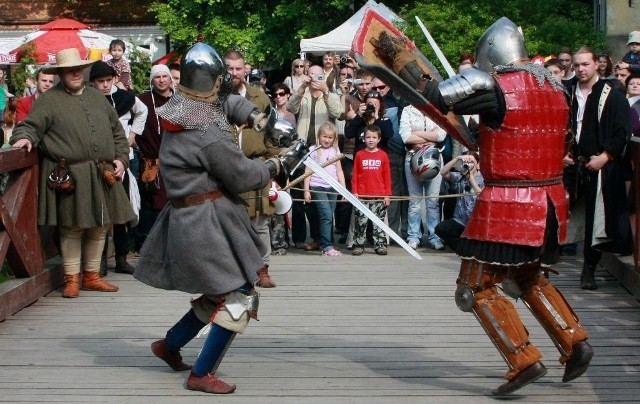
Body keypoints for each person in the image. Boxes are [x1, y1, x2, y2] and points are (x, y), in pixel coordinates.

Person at [365, 16, 593, 395]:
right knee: (528, 277)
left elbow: (436, 97)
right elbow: (562, 142)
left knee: (475, 287)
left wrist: (399, 57)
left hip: (509, 205)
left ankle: (522, 358)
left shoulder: (494, 85)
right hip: (551, 202)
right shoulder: (555, 87)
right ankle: (574, 341)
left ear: (491, 53)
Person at [133, 42, 307, 394]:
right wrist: (279, 164)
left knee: (218, 292)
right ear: (210, 80)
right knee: (239, 293)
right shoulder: (206, 135)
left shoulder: (184, 106)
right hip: (204, 222)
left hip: (200, 214)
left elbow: (227, 102)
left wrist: (262, 119)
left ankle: (169, 346)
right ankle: (202, 373)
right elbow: (242, 175)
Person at [10, 47, 135, 298]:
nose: (75, 73)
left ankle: (91, 276)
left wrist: (122, 158)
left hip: (101, 172)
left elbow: (117, 133)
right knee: (71, 227)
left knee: (100, 225)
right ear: (61, 73)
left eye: (79, 69)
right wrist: (24, 139)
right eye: (70, 70)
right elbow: (30, 127)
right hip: (70, 174)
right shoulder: (49, 100)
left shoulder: (97, 97)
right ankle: (71, 278)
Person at [565, 46, 633, 290]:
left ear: (596, 64)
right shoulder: (567, 92)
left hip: (598, 164)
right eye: (576, 65)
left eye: (585, 64)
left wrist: (605, 156)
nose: (580, 69)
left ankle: (588, 270)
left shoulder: (612, 94)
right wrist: (562, 154)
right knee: (558, 212)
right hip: (571, 164)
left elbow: (622, 131)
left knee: (597, 218)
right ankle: (544, 266)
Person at [223, 49, 279, 288]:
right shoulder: (215, 99)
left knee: (260, 222)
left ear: (246, 69)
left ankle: (261, 268)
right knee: (227, 223)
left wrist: (273, 168)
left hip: (255, 166)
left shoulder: (259, 98)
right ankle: (231, 271)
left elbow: (271, 138)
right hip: (224, 167)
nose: (234, 73)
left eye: (238, 68)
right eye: (229, 68)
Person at [89, 61, 148, 275]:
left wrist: (132, 135)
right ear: (93, 83)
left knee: (121, 212)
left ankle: (121, 258)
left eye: (108, 80)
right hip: (99, 161)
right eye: (100, 81)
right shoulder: (89, 100)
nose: (105, 85)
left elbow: (143, 111)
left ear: (114, 79)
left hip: (123, 159)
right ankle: (101, 259)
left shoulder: (125, 98)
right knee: (101, 212)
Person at [286, 64, 343, 251]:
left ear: (323, 78)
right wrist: (302, 88)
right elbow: (290, 107)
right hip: (301, 153)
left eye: (318, 77)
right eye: (311, 76)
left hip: (322, 153)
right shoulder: (302, 94)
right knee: (300, 197)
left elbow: (337, 113)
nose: (314, 80)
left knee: (318, 201)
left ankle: (320, 238)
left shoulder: (330, 94)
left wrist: (326, 91)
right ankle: (299, 238)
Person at [135, 64, 173, 251]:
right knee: (154, 204)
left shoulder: (179, 101)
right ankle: (151, 246)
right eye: (157, 77)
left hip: (176, 162)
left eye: (165, 76)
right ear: (152, 80)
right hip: (152, 162)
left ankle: (173, 244)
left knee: (176, 203)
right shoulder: (142, 101)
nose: (161, 80)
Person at [400, 104, 446, 251]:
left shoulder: (437, 109)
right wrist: (429, 137)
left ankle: (435, 236)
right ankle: (413, 236)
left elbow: (441, 135)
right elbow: (406, 136)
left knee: (433, 201)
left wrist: (417, 134)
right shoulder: (407, 110)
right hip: (413, 158)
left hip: (434, 158)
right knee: (415, 201)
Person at [303, 122, 346, 256]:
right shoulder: (313, 150)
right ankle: (327, 246)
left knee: (329, 215)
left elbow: (339, 171)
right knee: (326, 215)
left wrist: (343, 190)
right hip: (318, 186)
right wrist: (306, 190)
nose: (326, 140)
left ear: (334, 139)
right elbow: (307, 171)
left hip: (332, 187)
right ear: (319, 136)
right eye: (324, 137)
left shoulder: (335, 151)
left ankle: (329, 243)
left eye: (330, 138)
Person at [351, 125, 391, 256]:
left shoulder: (383, 155)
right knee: (360, 222)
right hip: (362, 196)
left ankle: (380, 245)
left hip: (379, 196)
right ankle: (358, 244)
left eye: (374, 137)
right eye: (368, 137)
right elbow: (355, 175)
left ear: (379, 139)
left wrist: (387, 195)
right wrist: (355, 192)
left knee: (378, 223)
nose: (371, 140)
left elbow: (387, 176)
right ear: (364, 138)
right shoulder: (359, 155)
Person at [434, 151, 483, 251]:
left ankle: (472, 249)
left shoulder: (483, 178)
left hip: (477, 221)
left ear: (478, 165)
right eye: (466, 162)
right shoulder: (459, 176)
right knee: (440, 229)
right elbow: (443, 172)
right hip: (460, 220)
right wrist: (457, 159)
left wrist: (471, 179)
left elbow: (481, 195)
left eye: (472, 162)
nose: (469, 165)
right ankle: (464, 250)